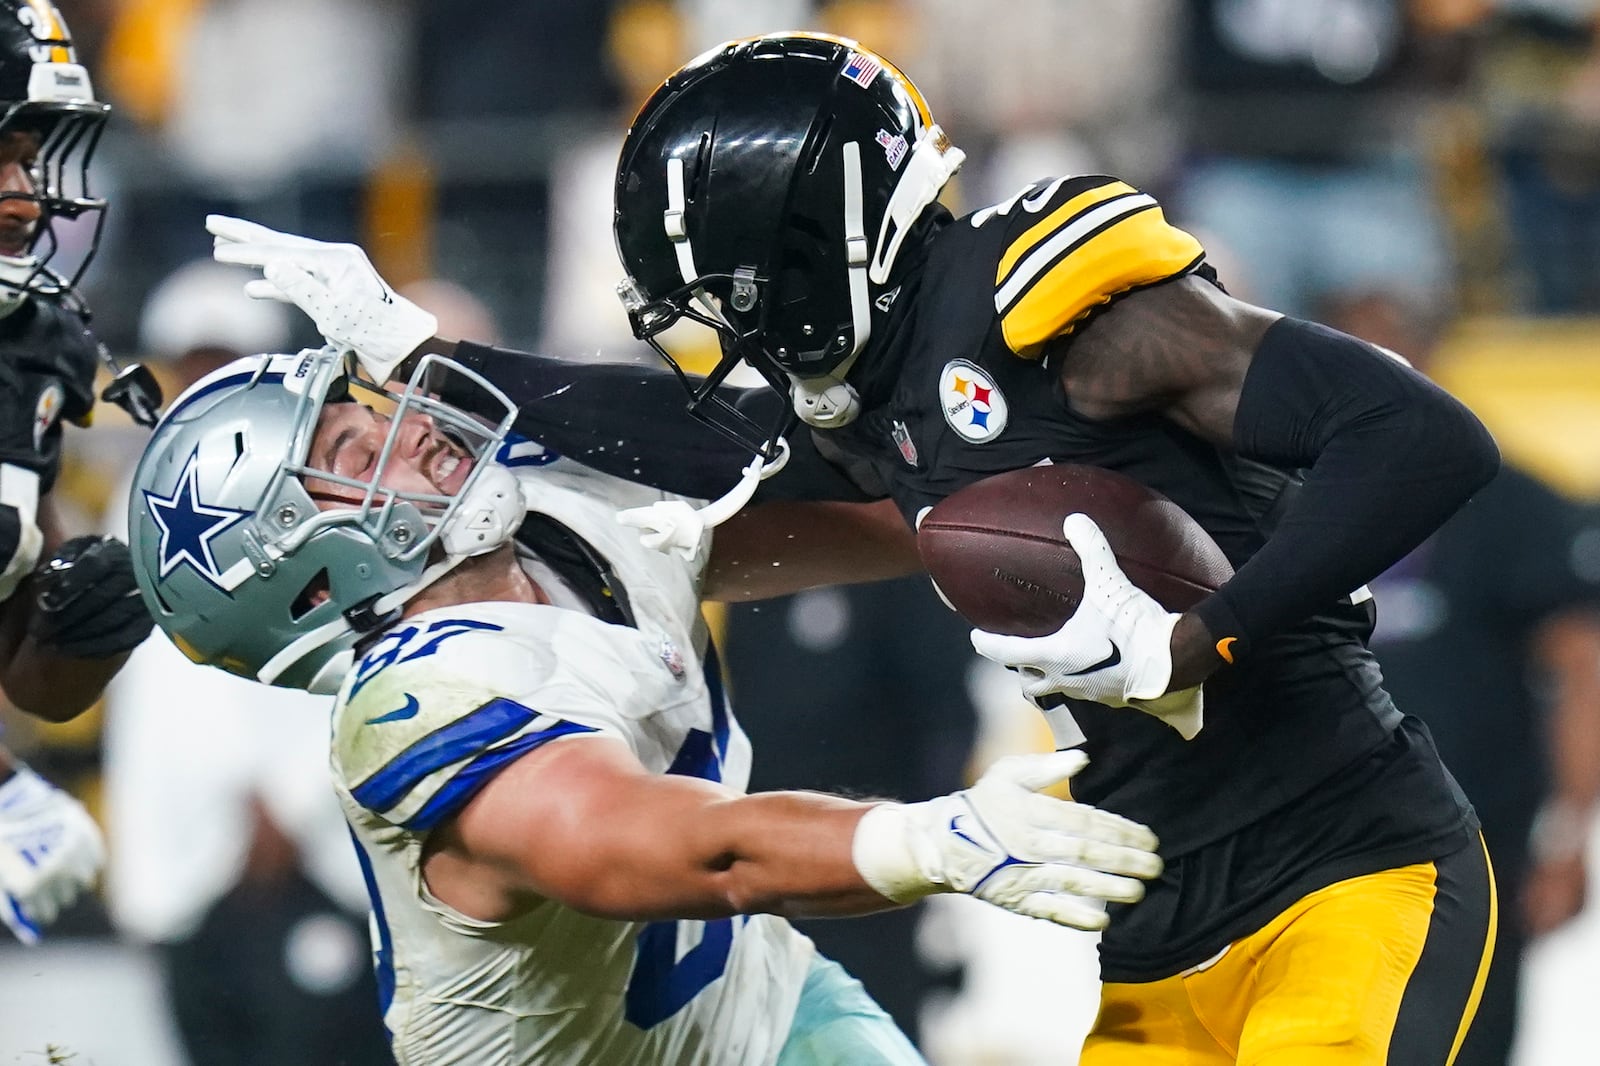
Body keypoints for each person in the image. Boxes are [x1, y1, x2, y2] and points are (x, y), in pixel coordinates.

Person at [205, 32, 1504, 1064]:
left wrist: (1208, 628)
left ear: (814, 252)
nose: (729, 333)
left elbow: (1420, 435)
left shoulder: (1053, 305)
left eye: (738, 299)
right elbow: (703, 431)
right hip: (1161, 935)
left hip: (1346, 868)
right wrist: (434, 357)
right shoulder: (881, 396)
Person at [123, 345, 1165, 1064]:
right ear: (304, 583)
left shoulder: (553, 515)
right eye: (355, 455)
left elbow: (879, 519)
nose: (409, 429)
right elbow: (663, 846)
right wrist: (922, 839)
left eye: (374, 413)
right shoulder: (416, 703)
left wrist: (1066, 490)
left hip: (770, 1015)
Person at [0, 0, 159, 948]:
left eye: (29, 159)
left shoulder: (31, 347)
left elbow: (30, 673)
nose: (25, 195)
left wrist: (90, 619)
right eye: (0, 157)